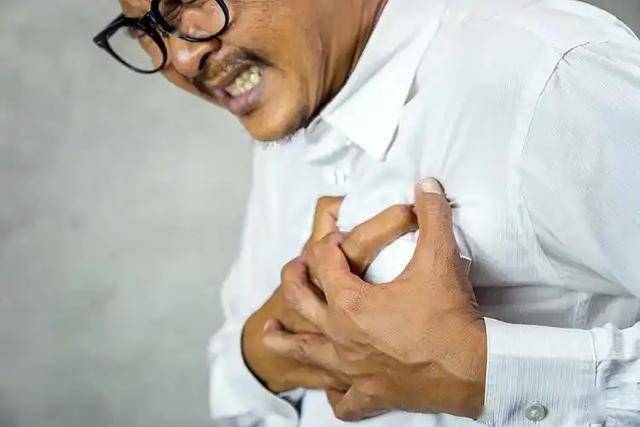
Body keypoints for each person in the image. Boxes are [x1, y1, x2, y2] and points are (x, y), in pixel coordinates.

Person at [94, 0, 640, 425]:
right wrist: (268, 353)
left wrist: (484, 376)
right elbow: (240, 385)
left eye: (190, 0)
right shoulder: (292, 107)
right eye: (146, 30)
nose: (182, 59)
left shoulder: (553, 80)